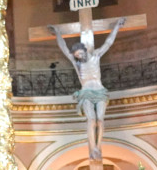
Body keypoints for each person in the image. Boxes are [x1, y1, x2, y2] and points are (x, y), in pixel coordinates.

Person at [48, 16, 126, 160]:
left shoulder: (96, 56)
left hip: (100, 92)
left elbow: (108, 43)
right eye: (76, 56)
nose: (79, 57)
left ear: (84, 50)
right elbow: (64, 48)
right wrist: (58, 33)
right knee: (91, 120)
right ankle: (94, 148)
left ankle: (99, 144)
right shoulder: (77, 64)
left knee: (100, 121)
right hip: (85, 93)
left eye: (79, 54)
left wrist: (116, 27)